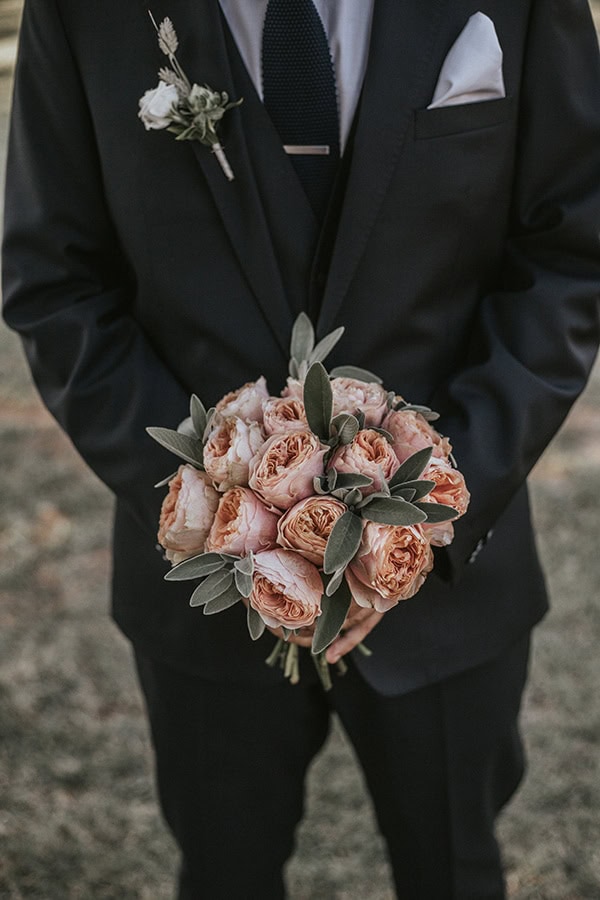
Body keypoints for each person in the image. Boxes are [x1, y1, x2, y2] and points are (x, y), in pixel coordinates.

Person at [3, 1, 600, 897]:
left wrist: (432, 502)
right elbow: (57, 282)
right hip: (206, 604)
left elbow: (570, 253)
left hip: (444, 586)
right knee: (224, 872)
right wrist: (217, 510)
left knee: (457, 871)